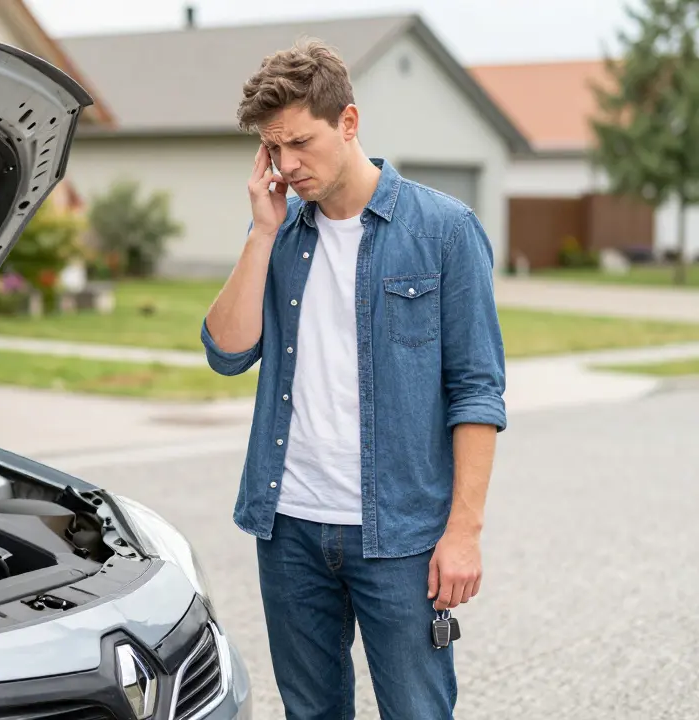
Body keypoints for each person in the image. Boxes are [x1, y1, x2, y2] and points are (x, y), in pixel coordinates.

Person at [200, 37, 506, 719]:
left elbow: (477, 391)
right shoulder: (280, 232)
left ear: (349, 122)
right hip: (290, 529)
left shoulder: (446, 232)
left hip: (399, 536)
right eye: (274, 149)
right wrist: (259, 234)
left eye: (301, 143)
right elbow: (226, 350)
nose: (288, 164)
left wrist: (463, 532)